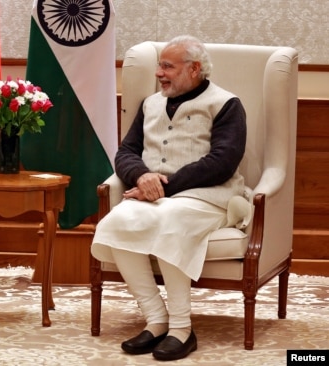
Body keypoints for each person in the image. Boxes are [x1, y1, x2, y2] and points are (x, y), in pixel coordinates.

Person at [91, 35, 247, 361]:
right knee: (118, 220)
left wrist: (163, 186)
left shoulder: (226, 104)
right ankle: (156, 320)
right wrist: (142, 177)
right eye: (159, 65)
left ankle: (181, 330)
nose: (159, 73)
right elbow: (127, 152)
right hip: (153, 194)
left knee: (171, 221)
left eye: (167, 66)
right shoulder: (151, 103)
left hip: (210, 196)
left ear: (194, 69)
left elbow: (222, 163)